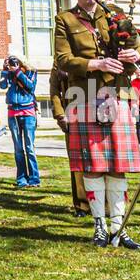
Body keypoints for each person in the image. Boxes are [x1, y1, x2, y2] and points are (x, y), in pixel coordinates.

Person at [54, 0, 140, 250]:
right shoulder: (66, 19)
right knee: (93, 167)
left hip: (118, 93)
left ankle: (119, 227)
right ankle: (99, 226)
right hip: (84, 95)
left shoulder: (115, 14)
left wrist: (138, 54)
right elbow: (62, 59)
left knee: (118, 166)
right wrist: (97, 64)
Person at [49, 60, 90, 216]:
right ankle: (82, 204)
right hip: (71, 114)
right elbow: (54, 91)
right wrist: (60, 115)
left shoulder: (93, 55)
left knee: (100, 161)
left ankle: (104, 203)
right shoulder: (59, 62)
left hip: (95, 113)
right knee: (77, 161)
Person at [0, 55, 41, 187]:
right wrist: (5, 70)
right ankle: (21, 179)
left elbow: (30, 86)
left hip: (28, 113)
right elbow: (2, 85)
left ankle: (34, 179)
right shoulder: (9, 73)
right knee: (18, 148)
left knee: (29, 147)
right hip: (13, 113)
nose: (12, 63)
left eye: (14, 61)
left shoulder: (31, 72)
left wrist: (17, 71)